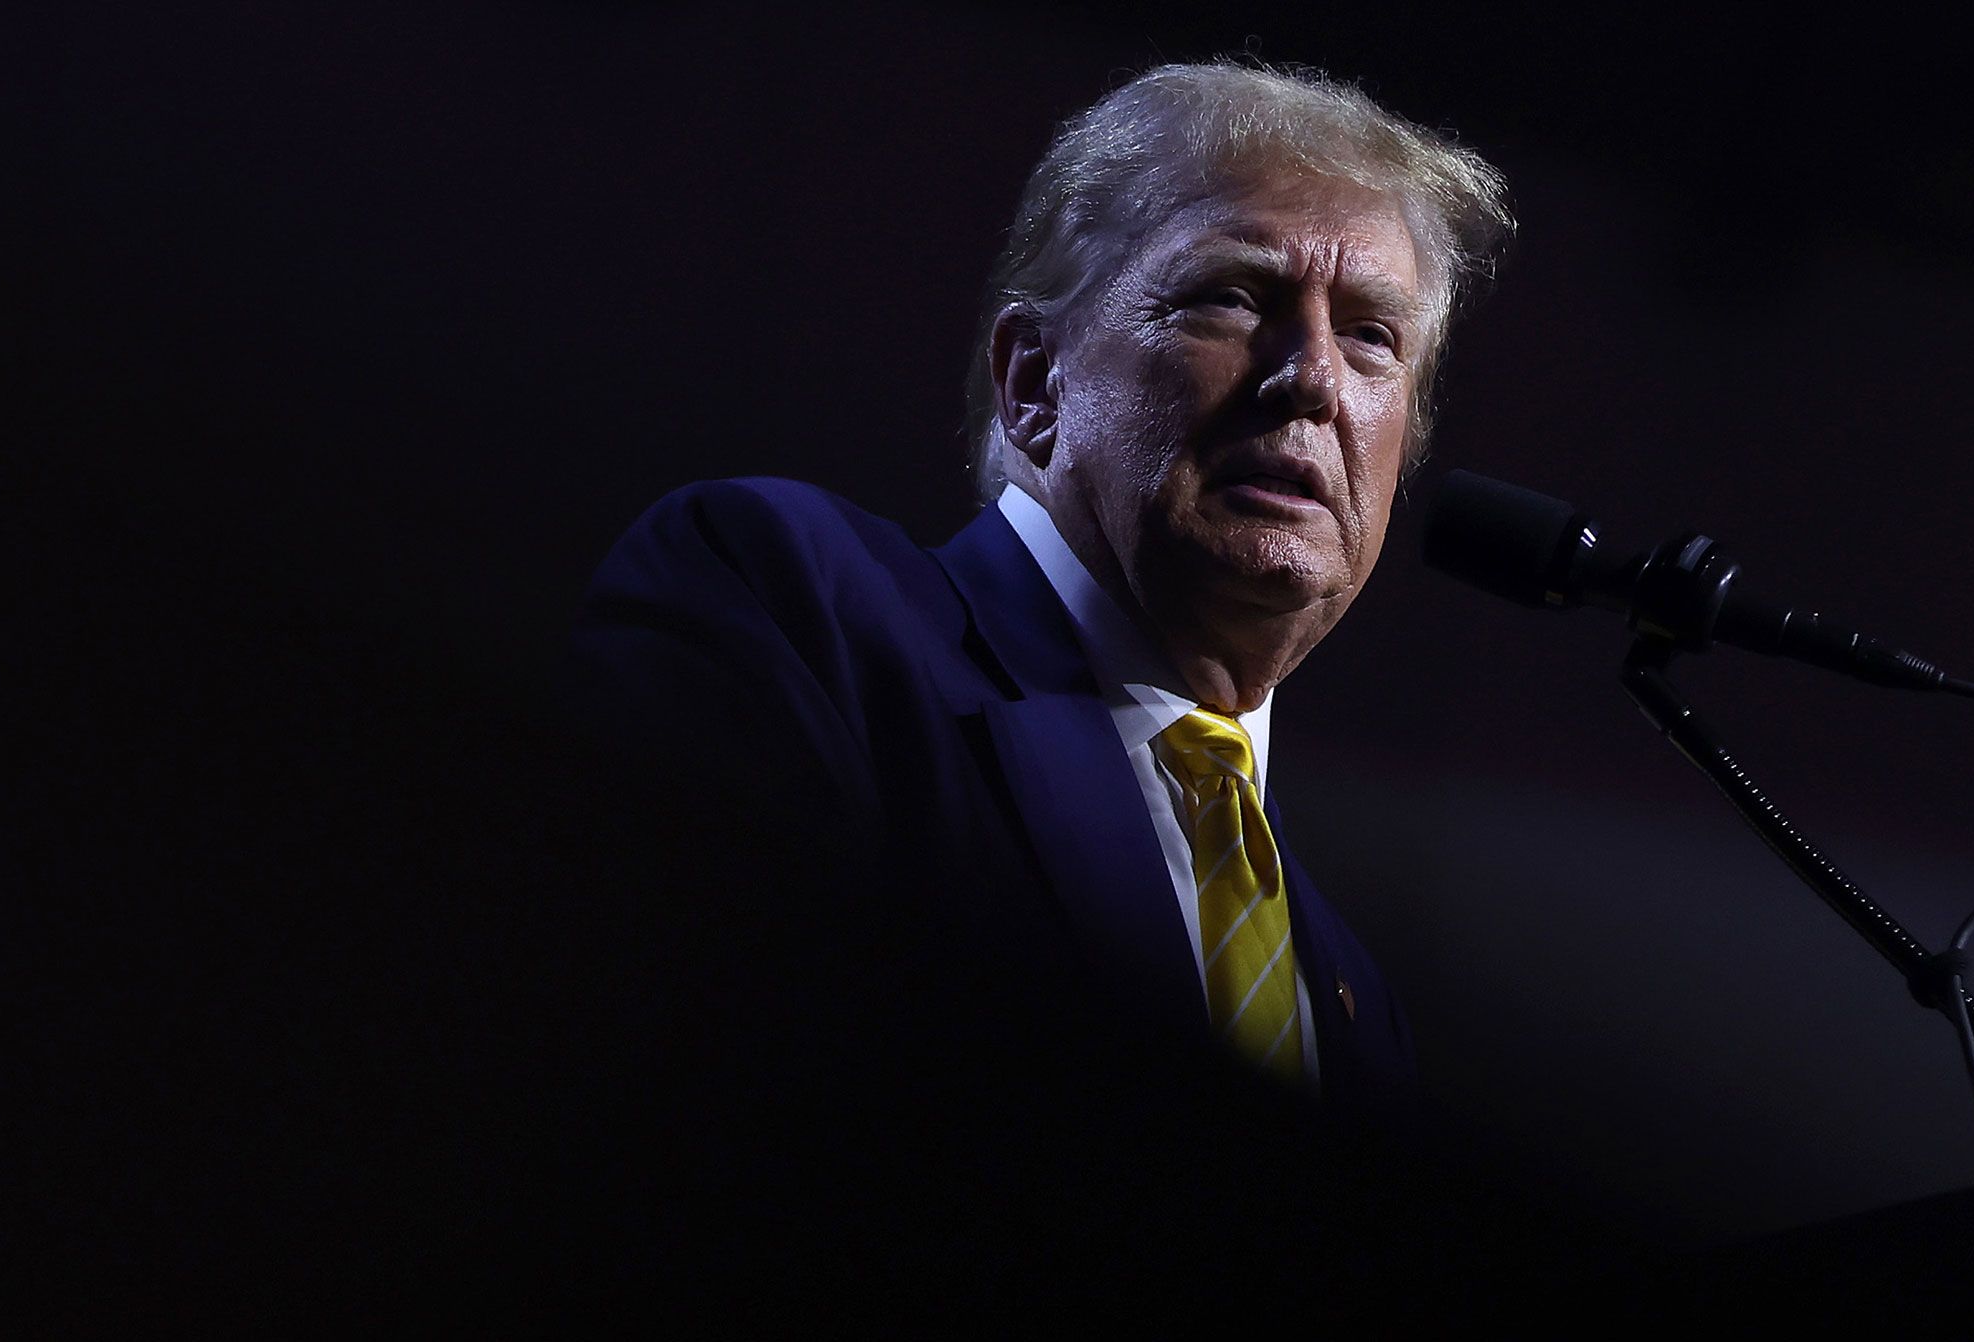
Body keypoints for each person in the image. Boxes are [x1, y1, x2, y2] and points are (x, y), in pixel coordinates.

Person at [558, 60, 1517, 1326]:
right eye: (1235, 298)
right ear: (1032, 380)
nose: (1314, 380)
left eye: (1372, 336)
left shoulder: (1350, 994)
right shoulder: (800, 607)